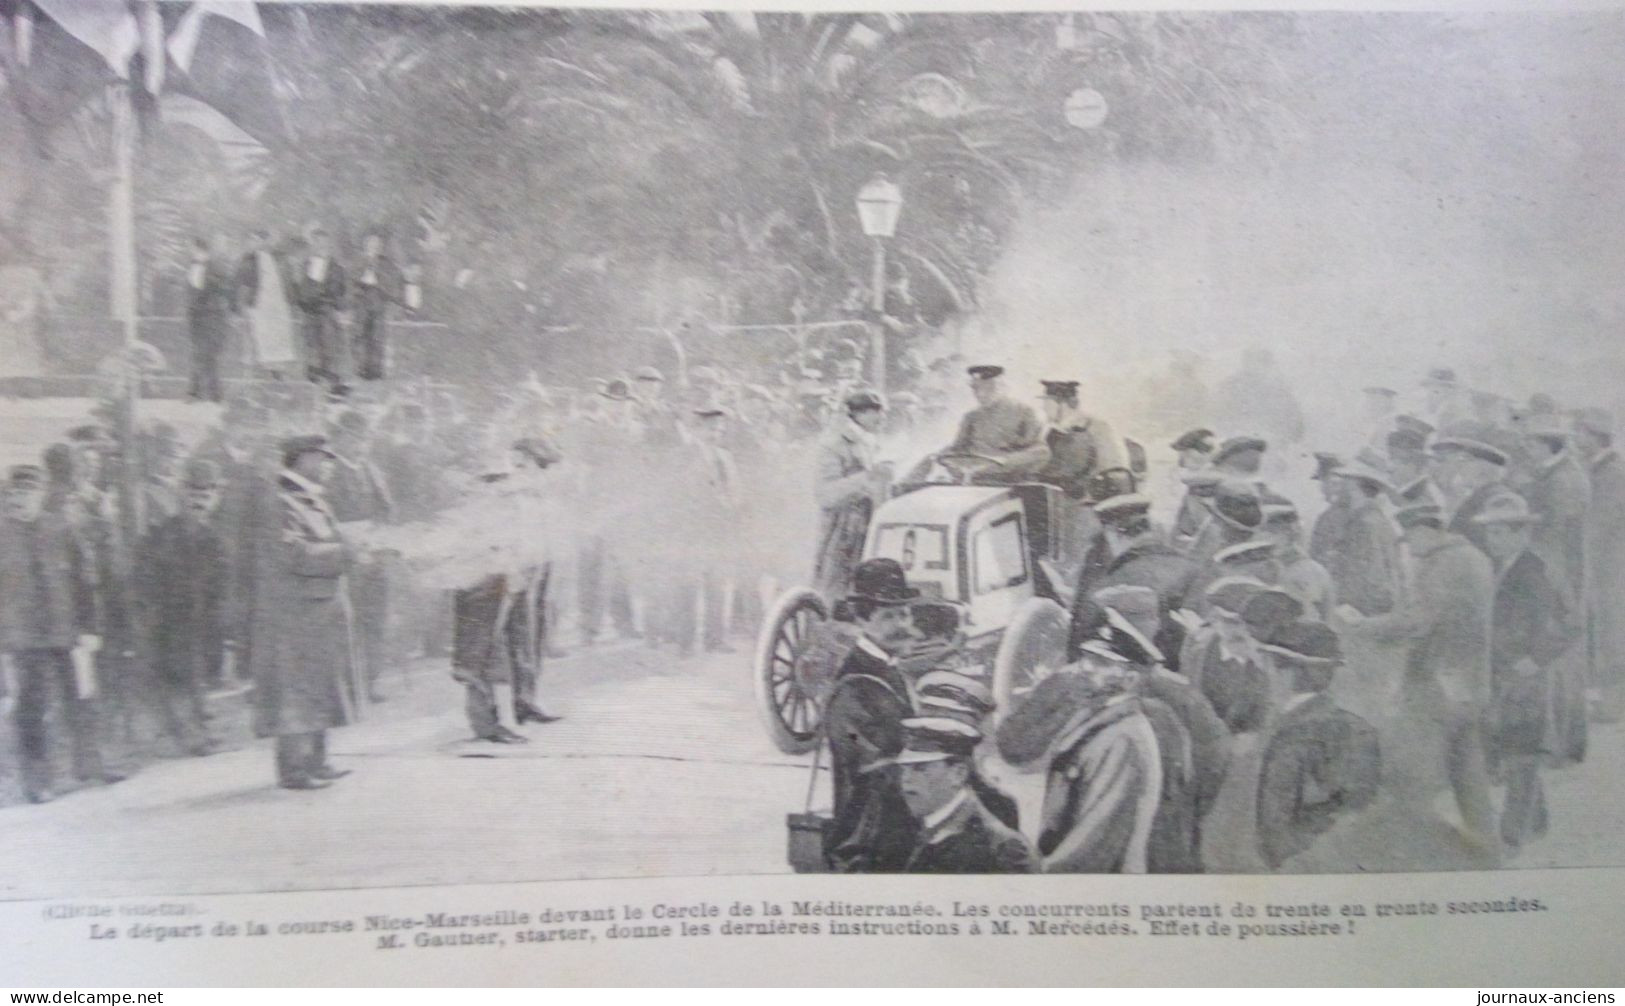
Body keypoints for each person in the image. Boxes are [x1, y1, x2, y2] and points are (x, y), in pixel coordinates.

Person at [1342, 501, 1498, 861]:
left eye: (1409, 539)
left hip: (1436, 685)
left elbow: (1419, 621)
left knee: (1416, 775)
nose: (1408, 548)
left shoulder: (1440, 564)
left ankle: (1420, 858)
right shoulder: (1475, 557)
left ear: (1426, 530)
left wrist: (1363, 626)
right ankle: (1488, 851)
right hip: (1470, 682)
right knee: (1469, 774)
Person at [0, 465, 123, 803]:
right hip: (21, 639)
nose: (21, 499)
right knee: (31, 708)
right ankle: (37, 779)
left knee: (82, 699)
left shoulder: (61, 529)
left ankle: (92, 764)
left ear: (42, 495)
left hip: (66, 632)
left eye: (29, 492)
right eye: (16, 493)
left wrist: (90, 627)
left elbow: (84, 581)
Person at [996, 633, 1162, 874]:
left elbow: (1101, 824)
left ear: (1130, 678)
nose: (1084, 667)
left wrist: (1046, 868)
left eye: (1101, 663)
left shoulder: (1123, 737)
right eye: (1087, 657)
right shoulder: (1095, 712)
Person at [248, 435, 360, 791]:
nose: (328, 466)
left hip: (316, 611)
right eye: (323, 459)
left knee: (319, 685)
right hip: (294, 615)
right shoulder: (278, 502)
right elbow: (290, 554)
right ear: (303, 459)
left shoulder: (307, 499)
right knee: (296, 689)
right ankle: (294, 770)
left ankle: (317, 760)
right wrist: (344, 552)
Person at [1474, 494, 1576, 853]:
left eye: (1500, 533)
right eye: (1489, 533)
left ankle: (1511, 835)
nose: (1492, 540)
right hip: (1505, 672)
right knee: (1518, 745)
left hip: (1527, 675)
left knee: (1523, 750)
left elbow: (1570, 623)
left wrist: (1537, 658)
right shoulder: (1503, 567)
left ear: (1521, 533)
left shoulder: (1534, 570)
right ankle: (1537, 821)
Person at [450, 437, 566, 743]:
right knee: (483, 650)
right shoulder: (488, 501)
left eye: (529, 468)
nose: (520, 475)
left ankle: (524, 703)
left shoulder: (530, 498)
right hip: (492, 578)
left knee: (526, 641)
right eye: (518, 467)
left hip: (525, 572)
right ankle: (486, 724)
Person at [1255, 621, 1381, 870]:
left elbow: (1275, 826)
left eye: (1269, 665)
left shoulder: (1291, 735)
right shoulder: (1358, 727)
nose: (1264, 674)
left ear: (1288, 673)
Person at [823, 558, 920, 873]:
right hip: (867, 838)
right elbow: (874, 771)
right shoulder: (853, 685)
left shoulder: (891, 671)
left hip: (899, 823)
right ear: (863, 620)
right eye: (890, 616)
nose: (904, 624)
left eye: (904, 613)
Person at [132, 459, 228, 756]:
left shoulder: (215, 539)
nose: (199, 501)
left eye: (205, 496)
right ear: (181, 496)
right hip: (170, 622)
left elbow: (222, 585)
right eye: (193, 495)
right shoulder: (161, 535)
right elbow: (146, 581)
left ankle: (199, 728)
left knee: (199, 675)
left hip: (203, 621)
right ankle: (188, 735)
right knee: (178, 677)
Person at [889, 717, 1037, 874]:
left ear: (958, 774)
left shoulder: (1003, 848)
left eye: (920, 768)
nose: (906, 778)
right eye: (904, 768)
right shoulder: (911, 832)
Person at [1066, 492, 1198, 665]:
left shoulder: (1104, 589)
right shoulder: (1192, 568)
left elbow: (1080, 653)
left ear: (1113, 534)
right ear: (1149, 528)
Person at [325, 410, 395, 702]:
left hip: (374, 553)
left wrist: (381, 534)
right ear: (339, 438)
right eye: (352, 437)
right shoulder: (329, 472)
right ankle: (346, 682)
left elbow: (387, 508)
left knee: (374, 617)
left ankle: (371, 679)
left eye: (364, 438)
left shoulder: (371, 470)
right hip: (345, 557)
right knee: (346, 621)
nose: (359, 444)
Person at [812, 391, 892, 598]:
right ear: (858, 414)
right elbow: (825, 494)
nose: (881, 418)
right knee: (835, 589)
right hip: (842, 529)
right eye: (875, 412)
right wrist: (867, 477)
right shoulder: (834, 444)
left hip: (869, 524)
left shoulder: (871, 440)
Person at [1576, 408, 1625, 722]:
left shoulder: (1612, 473)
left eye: (1581, 433)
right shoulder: (1597, 469)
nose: (1576, 440)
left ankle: (1613, 704)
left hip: (1610, 569)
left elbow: (1599, 526)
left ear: (1595, 437)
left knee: (1611, 633)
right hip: (1602, 566)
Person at [914, 365, 1043, 480]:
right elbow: (957, 449)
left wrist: (1004, 461)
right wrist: (937, 457)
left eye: (988, 388)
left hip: (1010, 483)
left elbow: (1040, 452)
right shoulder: (971, 417)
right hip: (973, 480)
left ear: (1002, 387)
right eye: (975, 389)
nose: (980, 394)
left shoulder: (1023, 412)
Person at [1003, 380, 1125, 496]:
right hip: (1078, 489)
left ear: (1062, 404)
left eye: (1047, 403)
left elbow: (1066, 470)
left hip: (1094, 495)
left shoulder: (1086, 428)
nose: (1044, 408)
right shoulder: (1062, 427)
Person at [1322, 460, 1400, 616]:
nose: (1340, 487)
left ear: (1354, 485)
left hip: (1361, 611)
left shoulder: (1365, 524)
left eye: (1345, 481)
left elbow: (1370, 576)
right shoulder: (1375, 519)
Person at [1432, 429, 1521, 555]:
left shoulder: (1498, 499)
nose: (1459, 467)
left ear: (1483, 467)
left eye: (1465, 461)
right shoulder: (1475, 497)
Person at [236, 229, 300, 380]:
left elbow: (290, 281)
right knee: (260, 337)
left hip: (278, 304)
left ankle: (279, 372)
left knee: (279, 337)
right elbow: (239, 284)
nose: (259, 244)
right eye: (254, 241)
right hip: (258, 304)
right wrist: (240, 307)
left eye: (262, 240)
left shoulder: (281, 259)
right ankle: (260, 373)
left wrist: (294, 301)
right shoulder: (248, 261)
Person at [292, 228, 348, 395]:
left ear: (328, 245)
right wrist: (303, 303)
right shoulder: (305, 265)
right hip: (309, 312)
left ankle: (332, 383)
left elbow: (340, 291)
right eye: (317, 242)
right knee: (311, 345)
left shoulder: (337, 268)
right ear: (313, 245)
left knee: (329, 345)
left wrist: (336, 307)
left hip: (327, 311)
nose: (320, 246)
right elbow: (300, 288)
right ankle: (313, 382)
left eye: (323, 242)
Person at [185, 234, 238, 403]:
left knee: (205, 355)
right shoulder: (192, 266)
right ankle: (212, 394)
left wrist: (228, 310)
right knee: (203, 356)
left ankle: (199, 393)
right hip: (197, 318)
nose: (189, 251)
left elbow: (227, 289)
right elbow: (192, 292)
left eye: (190, 247)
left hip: (213, 317)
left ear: (199, 248)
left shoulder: (216, 267)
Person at [1263, 501, 1334, 621]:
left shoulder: (1306, 570)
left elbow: (1310, 618)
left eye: (1272, 533)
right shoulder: (1275, 566)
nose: (1265, 540)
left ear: (1288, 534)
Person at [1422, 368, 1474, 433]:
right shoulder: (1434, 412)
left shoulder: (1448, 411)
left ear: (1449, 391)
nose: (1429, 396)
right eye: (1428, 388)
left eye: (1436, 392)